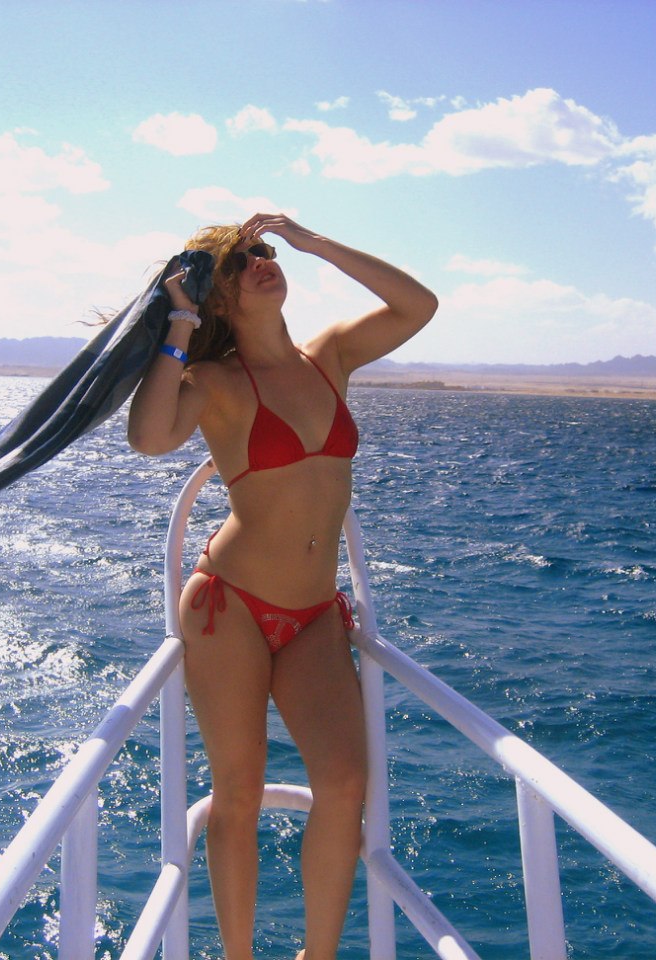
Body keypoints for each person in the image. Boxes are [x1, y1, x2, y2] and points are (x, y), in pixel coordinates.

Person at [127, 213, 437, 960]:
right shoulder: (214, 380)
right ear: (218, 296)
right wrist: (180, 320)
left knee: (345, 783)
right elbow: (150, 437)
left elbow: (418, 306)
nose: (260, 263)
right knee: (237, 792)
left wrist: (316, 242)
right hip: (230, 606)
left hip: (312, 616)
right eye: (238, 263)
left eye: (264, 251)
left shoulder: (330, 357)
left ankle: (316, 956)